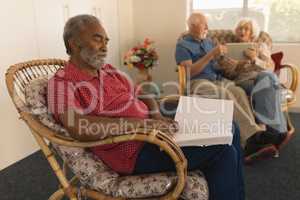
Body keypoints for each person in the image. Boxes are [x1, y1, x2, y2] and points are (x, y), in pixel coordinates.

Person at [47, 14, 245, 200]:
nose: (105, 47)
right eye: (98, 39)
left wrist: (155, 115)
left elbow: (141, 93)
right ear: (74, 43)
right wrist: (142, 125)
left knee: (230, 126)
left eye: (106, 41)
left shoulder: (108, 70)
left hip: (153, 131)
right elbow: (78, 126)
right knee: (223, 149)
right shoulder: (60, 83)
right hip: (133, 150)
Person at [175, 13, 274, 158]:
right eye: (204, 25)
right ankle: (253, 137)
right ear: (192, 26)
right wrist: (211, 55)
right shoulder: (182, 45)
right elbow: (190, 72)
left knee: (238, 91)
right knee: (224, 94)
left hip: (216, 78)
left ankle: (252, 139)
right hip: (198, 82)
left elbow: (216, 65)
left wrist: (229, 62)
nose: (207, 28)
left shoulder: (209, 42)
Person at [216, 18, 288, 159]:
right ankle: (278, 131)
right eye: (240, 28)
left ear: (252, 32)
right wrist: (240, 65)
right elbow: (228, 73)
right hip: (245, 81)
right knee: (268, 84)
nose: (242, 31)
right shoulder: (229, 49)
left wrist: (255, 59)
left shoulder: (260, 46)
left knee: (267, 78)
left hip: (263, 78)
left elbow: (270, 67)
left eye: (246, 29)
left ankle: (271, 134)